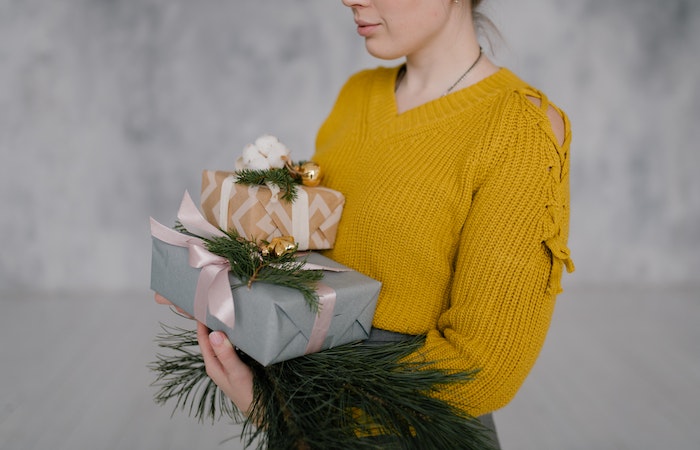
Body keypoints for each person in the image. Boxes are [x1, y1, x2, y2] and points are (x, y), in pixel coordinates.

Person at [156, 0, 574, 446]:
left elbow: (484, 368)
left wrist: (289, 404)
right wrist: (232, 295)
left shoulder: (521, 130)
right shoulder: (357, 95)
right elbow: (314, 259)